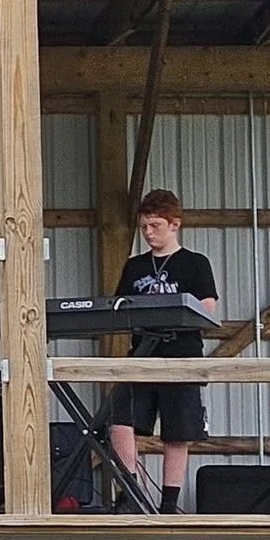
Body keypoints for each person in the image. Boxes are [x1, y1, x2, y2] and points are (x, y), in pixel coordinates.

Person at [104, 188, 219, 514]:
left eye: (155, 225)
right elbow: (119, 307)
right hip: (142, 354)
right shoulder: (134, 266)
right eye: (144, 227)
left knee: (177, 431)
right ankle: (130, 492)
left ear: (174, 225)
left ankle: (169, 502)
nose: (149, 233)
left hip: (181, 355)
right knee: (119, 420)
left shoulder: (195, 264)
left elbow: (208, 309)